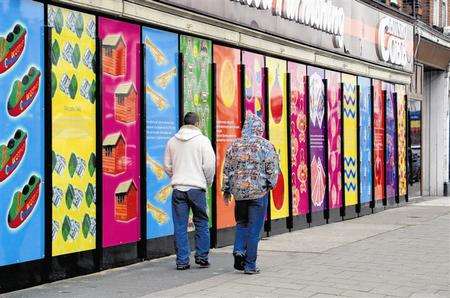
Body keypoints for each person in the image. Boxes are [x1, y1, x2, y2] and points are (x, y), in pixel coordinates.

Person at [222, 112, 279, 274]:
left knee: (241, 223)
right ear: (259, 129)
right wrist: (269, 185)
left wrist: (227, 189)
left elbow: (227, 170)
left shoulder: (233, 145)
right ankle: (250, 265)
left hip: (239, 194)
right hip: (258, 194)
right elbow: (272, 170)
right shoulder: (266, 145)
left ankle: (239, 250)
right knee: (254, 229)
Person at [164, 112, 216, 270]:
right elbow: (209, 166)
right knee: (201, 222)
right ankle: (201, 257)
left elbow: (167, 166)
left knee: (180, 225)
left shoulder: (172, 141)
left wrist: (177, 176)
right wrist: (207, 182)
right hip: (196, 188)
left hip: (178, 188)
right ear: (197, 124)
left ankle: (182, 261)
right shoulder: (203, 141)